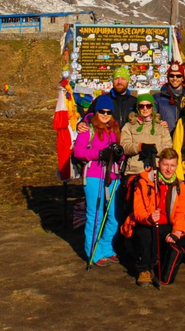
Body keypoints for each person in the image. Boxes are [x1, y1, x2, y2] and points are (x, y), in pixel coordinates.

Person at [120, 148, 185, 287]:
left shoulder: (181, 186)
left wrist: (177, 231)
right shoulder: (144, 182)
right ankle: (143, 269)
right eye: (165, 165)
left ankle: (160, 262)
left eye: (172, 165)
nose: (169, 169)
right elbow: (137, 211)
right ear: (159, 163)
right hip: (146, 222)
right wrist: (149, 218)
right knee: (145, 233)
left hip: (166, 224)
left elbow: (180, 214)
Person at [72, 95, 124, 267]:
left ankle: (106, 247)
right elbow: (78, 152)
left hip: (113, 176)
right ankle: (93, 252)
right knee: (95, 215)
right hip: (94, 175)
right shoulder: (87, 128)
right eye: (102, 111)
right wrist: (99, 154)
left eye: (109, 112)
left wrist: (119, 154)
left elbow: (120, 154)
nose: (105, 114)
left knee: (114, 215)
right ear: (97, 111)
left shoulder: (115, 128)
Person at [119, 93, 173, 178]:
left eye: (148, 106)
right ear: (137, 108)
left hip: (156, 170)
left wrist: (155, 148)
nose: (145, 109)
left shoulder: (160, 127)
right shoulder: (129, 126)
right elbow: (124, 146)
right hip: (135, 171)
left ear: (152, 108)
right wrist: (140, 147)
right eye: (141, 106)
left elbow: (168, 146)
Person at [155, 61, 185, 135]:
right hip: (167, 138)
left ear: (182, 78)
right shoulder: (158, 98)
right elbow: (149, 117)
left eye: (178, 76)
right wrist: (158, 123)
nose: (175, 78)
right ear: (168, 77)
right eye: (172, 76)